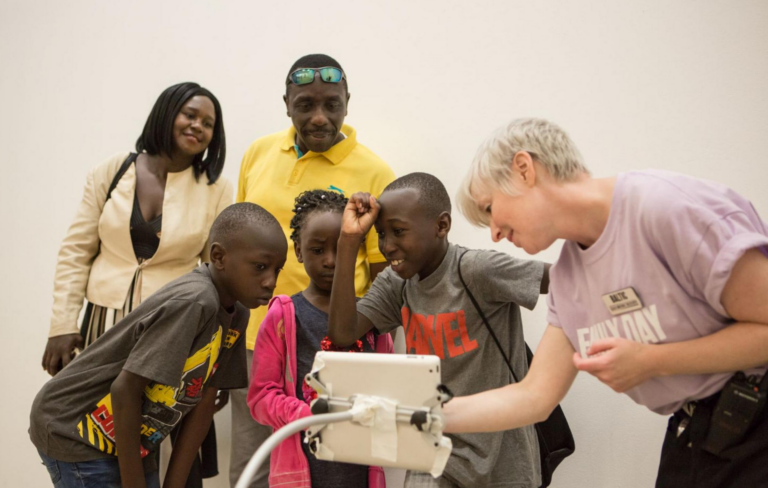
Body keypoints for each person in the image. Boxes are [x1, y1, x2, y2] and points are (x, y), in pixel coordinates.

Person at [447, 117, 768, 487]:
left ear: (524, 169)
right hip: (696, 432)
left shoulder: (664, 208)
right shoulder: (569, 279)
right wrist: (428, 415)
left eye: (489, 209)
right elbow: (534, 396)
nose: (495, 233)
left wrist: (651, 361)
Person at [40, 82, 233, 486]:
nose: (198, 126)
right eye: (190, 115)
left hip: (171, 333)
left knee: (158, 440)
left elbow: (218, 274)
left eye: (208, 123)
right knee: (97, 433)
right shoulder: (112, 170)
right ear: (167, 113)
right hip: (103, 326)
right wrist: (62, 325)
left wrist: (215, 366)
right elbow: (76, 251)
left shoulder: (216, 190)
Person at [29, 203, 288, 488]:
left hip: (126, 437)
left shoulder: (237, 314)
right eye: (260, 267)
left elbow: (204, 402)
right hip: (73, 430)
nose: (271, 281)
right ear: (218, 257)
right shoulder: (196, 301)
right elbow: (125, 389)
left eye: (277, 270)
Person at [232, 53, 396, 487]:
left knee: (341, 464)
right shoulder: (258, 154)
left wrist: (381, 354)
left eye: (332, 104)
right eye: (305, 104)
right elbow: (235, 247)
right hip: (257, 339)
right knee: (255, 463)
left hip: (342, 344)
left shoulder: (375, 171)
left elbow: (384, 274)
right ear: (287, 103)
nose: (320, 117)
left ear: (347, 102)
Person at [327, 173, 549, 488]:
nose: (388, 246)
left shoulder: (476, 271)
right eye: (380, 234)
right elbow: (342, 333)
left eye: (398, 232)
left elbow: (565, 279)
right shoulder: (396, 284)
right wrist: (349, 240)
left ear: (441, 226)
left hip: (502, 457)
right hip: (432, 452)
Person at [248, 189, 393, 487]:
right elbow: (260, 398)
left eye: (339, 249)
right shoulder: (284, 316)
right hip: (302, 474)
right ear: (299, 252)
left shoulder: (372, 316)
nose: (330, 261)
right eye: (317, 250)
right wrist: (308, 413)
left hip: (362, 474)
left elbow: (390, 387)